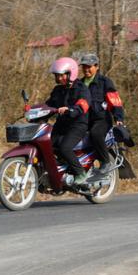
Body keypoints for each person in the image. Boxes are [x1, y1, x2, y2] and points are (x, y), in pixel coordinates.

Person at [45, 57, 91, 185]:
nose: (59, 78)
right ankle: (62, 170)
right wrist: (33, 110)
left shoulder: (82, 89)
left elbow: (83, 105)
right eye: (56, 76)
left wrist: (71, 110)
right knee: (48, 146)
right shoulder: (58, 90)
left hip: (77, 124)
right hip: (62, 124)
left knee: (65, 147)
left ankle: (80, 173)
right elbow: (48, 105)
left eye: (61, 75)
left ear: (71, 73)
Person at [79, 53, 125, 174]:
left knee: (95, 134)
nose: (86, 69)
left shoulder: (105, 82)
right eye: (84, 67)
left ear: (97, 66)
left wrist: (118, 117)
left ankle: (105, 161)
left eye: (89, 66)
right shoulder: (79, 84)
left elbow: (114, 100)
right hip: (84, 120)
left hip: (102, 120)